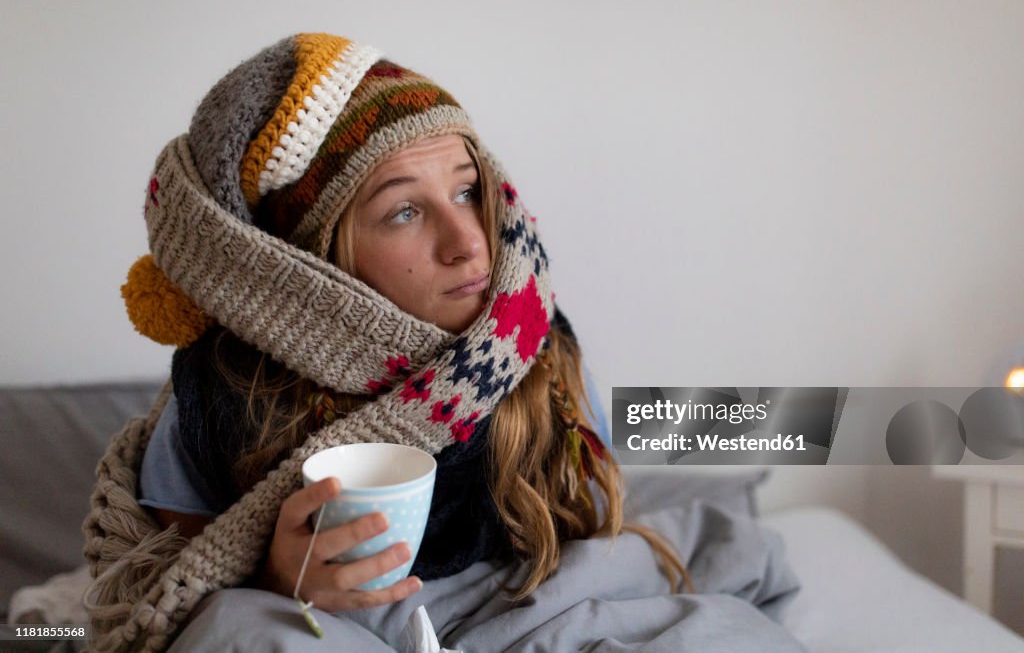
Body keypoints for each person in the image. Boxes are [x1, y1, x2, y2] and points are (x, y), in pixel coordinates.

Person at [83, 32, 687, 651]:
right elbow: (163, 610)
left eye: (467, 191)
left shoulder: (536, 344)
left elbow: (601, 515)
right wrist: (275, 580)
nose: (469, 242)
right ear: (310, 261)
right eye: (404, 211)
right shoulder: (222, 398)